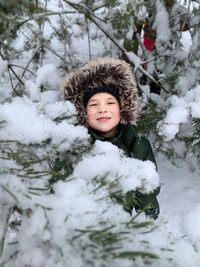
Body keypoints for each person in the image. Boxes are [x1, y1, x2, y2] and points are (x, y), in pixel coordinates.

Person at [61, 57, 160, 220]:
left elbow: (149, 193)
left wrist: (147, 221)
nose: (102, 110)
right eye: (94, 105)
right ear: (83, 112)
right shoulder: (75, 145)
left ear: (122, 108)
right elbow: (59, 191)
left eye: (110, 103)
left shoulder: (137, 144)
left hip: (121, 228)